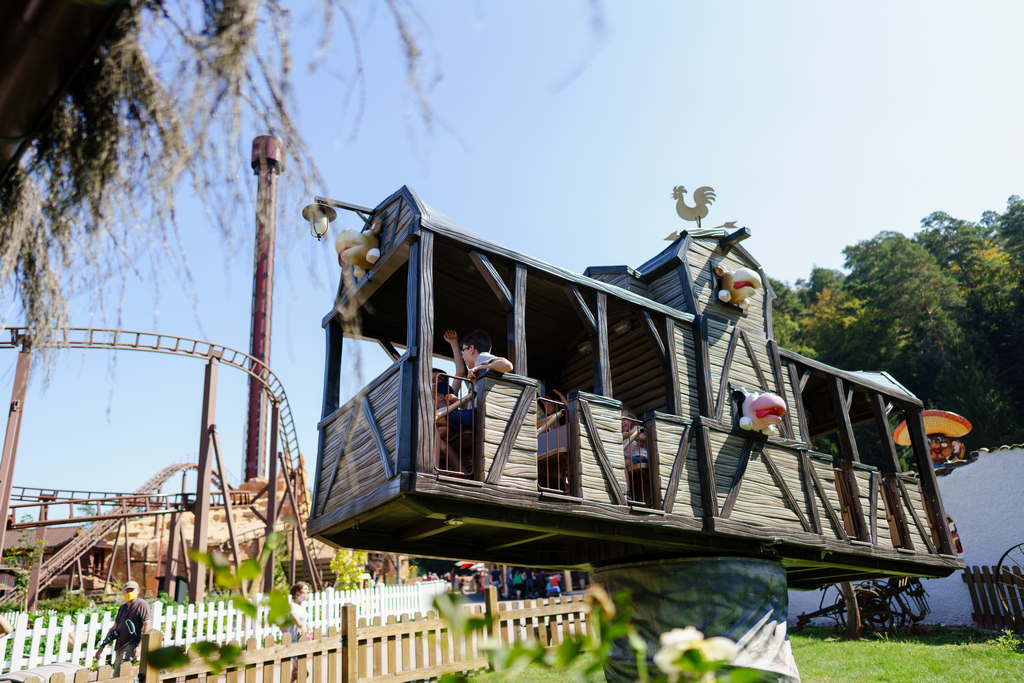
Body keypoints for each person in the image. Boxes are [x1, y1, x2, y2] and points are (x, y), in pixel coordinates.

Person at [96, 580, 151, 675]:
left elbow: (147, 624)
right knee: (118, 673)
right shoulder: (123, 607)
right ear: (124, 592)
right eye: (127, 591)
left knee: (120, 674)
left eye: (131, 590)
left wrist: (140, 646)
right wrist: (102, 646)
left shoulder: (142, 604)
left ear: (137, 591)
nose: (129, 593)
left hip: (131, 644)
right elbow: (114, 627)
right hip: (119, 645)